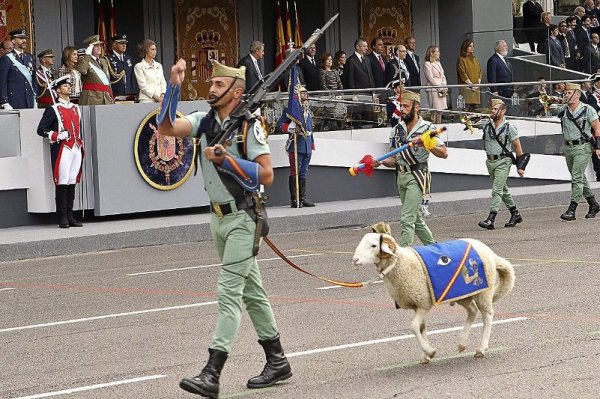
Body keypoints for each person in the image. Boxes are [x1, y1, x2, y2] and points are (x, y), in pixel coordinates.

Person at [156, 59, 292, 398]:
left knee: (229, 293)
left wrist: (228, 159)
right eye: (212, 83)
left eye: (218, 85)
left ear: (237, 92)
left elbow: (267, 175)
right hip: (217, 219)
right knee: (251, 292)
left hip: (244, 219)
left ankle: (212, 372)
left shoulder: (249, 127)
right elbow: (166, 128)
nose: (211, 89)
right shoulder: (204, 122)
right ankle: (277, 360)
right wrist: (173, 86)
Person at [373, 90, 448, 246]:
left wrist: (428, 143)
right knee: (417, 219)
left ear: (416, 107)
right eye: (401, 106)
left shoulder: (428, 128)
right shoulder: (396, 130)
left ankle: (403, 255)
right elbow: (393, 159)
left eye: (406, 106)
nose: (403, 110)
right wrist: (380, 162)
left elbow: (444, 153)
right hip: (401, 176)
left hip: (418, 175)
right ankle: (435, 249)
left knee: (407, 218)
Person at [36, 76, 84, 229]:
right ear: (57, 90)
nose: (68, 88)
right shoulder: (53, 109)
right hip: (63, 148)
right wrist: (57, 135)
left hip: (76, 147)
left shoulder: (76, 108)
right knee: (62, 181)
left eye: (69, 86)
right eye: (65, 86)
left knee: (71, 181)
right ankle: (62, 216)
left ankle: (70, 214)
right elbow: (40, 130)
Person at [477, 99, 526, 230]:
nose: (492, 111)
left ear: (503, 111)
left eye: (495, 109)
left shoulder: (509, 127)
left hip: (503, 161)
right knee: (503, 190)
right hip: (490, 161)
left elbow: (518, 147)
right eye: (492, 109)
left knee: (497, 190)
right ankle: (515, 213)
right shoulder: (487, 125)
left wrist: (520, 167)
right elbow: (473, 124)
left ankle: (491, 218)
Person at [556, 82, 600, 220]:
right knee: (580, 177)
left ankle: (572, 209)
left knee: (576, 177)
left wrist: (598, 147)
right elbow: (552, 110)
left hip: (583, 146)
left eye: (569, 93)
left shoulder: (588, 110)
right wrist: (552, 101)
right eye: (565, 93)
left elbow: (597, 127)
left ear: (577, 95)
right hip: (568, 147)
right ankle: (593, 204)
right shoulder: (564, 109)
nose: (566, 95)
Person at [277, 84, 316, 208]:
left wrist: (312, 143)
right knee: (295, 172)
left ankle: (302, 198)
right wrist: (289, 127)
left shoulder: (307, 110)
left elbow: (310, 127)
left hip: (307, 144)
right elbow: (279, 124)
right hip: (296, 144)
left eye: (306, 93)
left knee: (303, 172)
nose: (305, 95)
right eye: (303, 93)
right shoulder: (291, 109)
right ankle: (295, 199)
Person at [0, 28, 37, 109]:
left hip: (29, 101)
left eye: (25, 38)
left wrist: (35, 98)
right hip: (14, 101)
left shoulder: (30, 58)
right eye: (21, 38)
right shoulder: (6, 58)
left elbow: (34, 80)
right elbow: (2, 82)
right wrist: (5, 102)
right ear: (13, 41)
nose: (24, 40)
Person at [77, 35, 114, 105]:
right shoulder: (83, 59)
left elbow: (107, 80)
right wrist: (87, 55)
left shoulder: (103, 61)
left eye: (100, 45)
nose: (99, 48)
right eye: (96, 46)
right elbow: (82, 70)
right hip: (92, 97)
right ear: (90, 48)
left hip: (105, 96)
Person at [133, 39, 166, 103]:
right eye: (152, 49)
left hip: (161, 100)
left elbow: (163, 82)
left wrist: (162, 95)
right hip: (146, 100)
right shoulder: (139, 66)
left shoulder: (159, 65)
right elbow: (143, 86)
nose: (155, 51)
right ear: (146, 50)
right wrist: (156, 97)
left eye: (155, 49)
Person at [106, 34, 137, 99]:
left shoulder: (128, 58)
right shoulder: (108, 59)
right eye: (121, 43)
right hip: (115, 94)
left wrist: (132, 91)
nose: (124, 45)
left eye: (125, 43)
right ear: (114, 45)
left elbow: (131, 76)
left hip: (128, 94)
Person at [423, 45, 448, 124]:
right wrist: (440, 88)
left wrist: (445, 87)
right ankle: (433, 129)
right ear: (431, 53)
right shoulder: (427, 64)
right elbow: (431, 78)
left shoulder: (438, 63)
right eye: (437, 51)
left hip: (442, 88)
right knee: (434, 111)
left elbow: (443, 76)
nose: (439, 53)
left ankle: (439, 126)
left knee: (440, 111)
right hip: (434, 89)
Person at [456, 39, 482, 111]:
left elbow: (480, 71)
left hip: (476, 88)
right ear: (465, 47)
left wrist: (478, 83)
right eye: (470, 46)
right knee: (466, 108)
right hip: (466, 88)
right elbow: (462, 73)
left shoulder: (475, 59)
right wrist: (471, 85)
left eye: (473, 46)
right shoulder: (461, 59)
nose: (472, 48)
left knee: (475, 109)